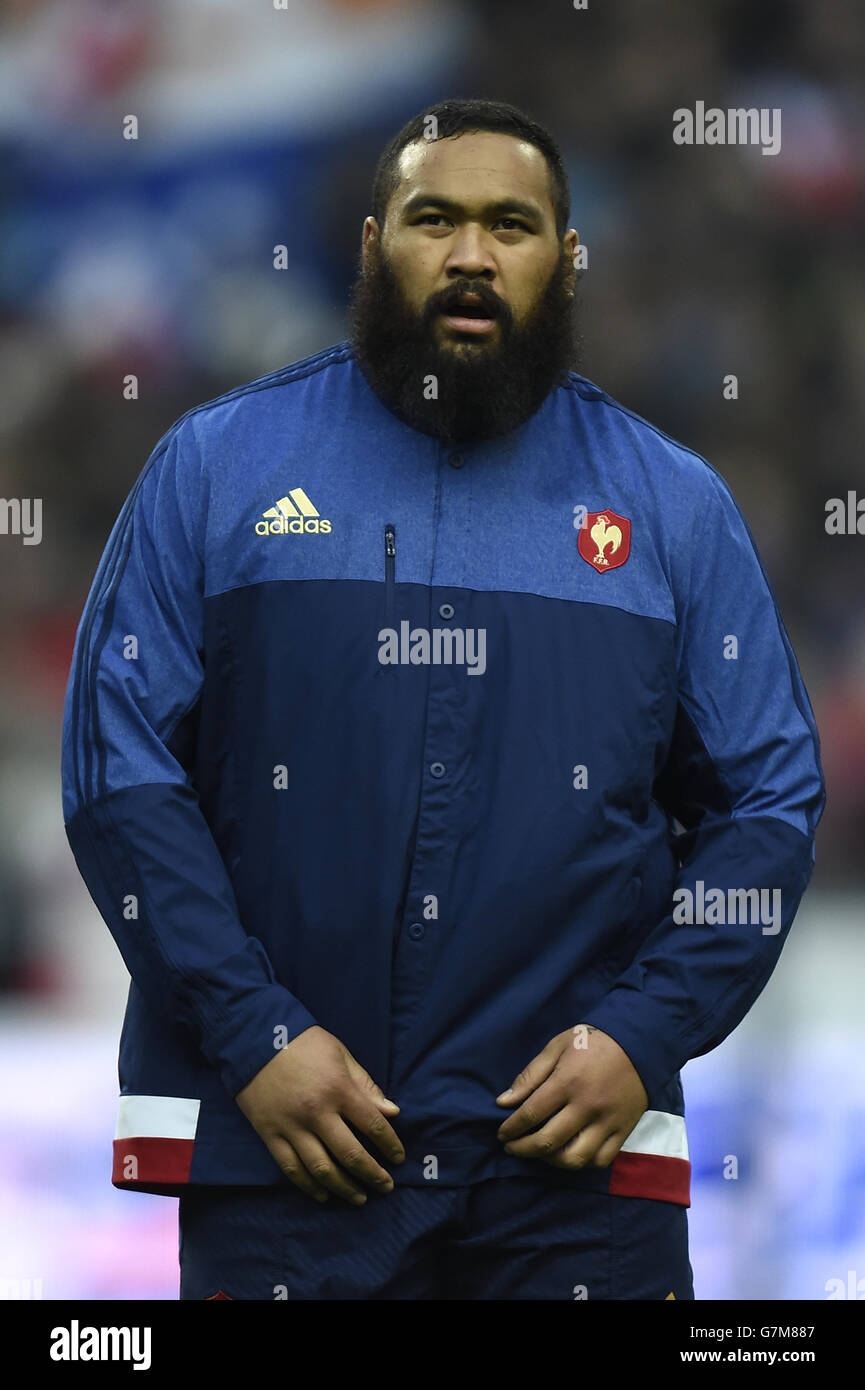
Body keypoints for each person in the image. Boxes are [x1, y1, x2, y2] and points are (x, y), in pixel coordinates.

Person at [61, 98, 825, 1301]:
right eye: (435, 218)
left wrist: (641, 1034)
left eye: (510, 224)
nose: (471, 254)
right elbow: (119, 774)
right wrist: (254, 1030)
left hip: (571, 1188)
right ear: (374, 246)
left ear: (565, 261)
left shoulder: (674, 509)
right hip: (285, 1164)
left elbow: (769, 805)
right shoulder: (214, 470)